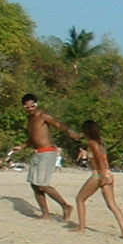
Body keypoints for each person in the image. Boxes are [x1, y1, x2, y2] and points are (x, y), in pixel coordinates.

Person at [11, 93, 80, 221]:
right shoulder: (30, 119)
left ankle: (65, 206)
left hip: (48, 152)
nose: (30, 109)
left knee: (42, 184)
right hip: (37, 152)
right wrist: (22, 146)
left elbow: (59, 124)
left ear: (36, 104)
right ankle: (45, 213)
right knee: (34, 184)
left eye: (32, 106)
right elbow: (33, 138)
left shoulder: (43, 116)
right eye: (27, 107)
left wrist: (71, 132)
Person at [75, 120, 123, 239]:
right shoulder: (101, 142)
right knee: (112, 204)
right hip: (108, 173)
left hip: (99, 174)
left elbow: (99, 159)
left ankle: (82, 227)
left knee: (80, 199)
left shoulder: (92, 143)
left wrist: (103, 175)